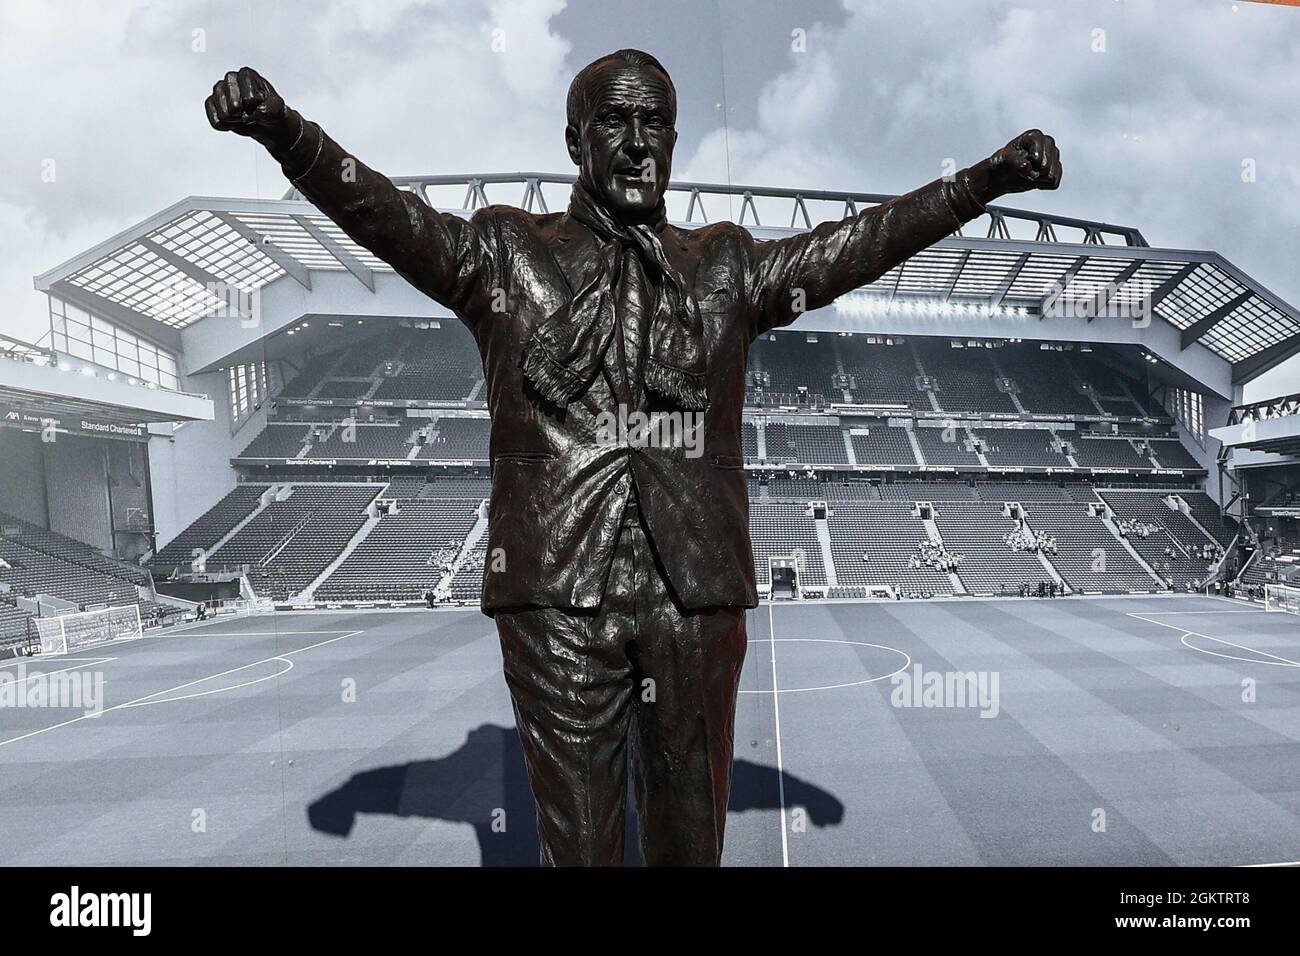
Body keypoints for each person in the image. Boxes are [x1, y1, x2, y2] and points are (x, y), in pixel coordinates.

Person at [204, 53, 1060, 866]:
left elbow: (855, 246)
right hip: (556, 600)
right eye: (614, 122)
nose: (639, 142)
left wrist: (978, 183)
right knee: (577, 848)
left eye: (657, 124)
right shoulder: (505, 252)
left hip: (694, 599)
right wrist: (286, 131)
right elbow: (386, 216)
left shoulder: (725, 265)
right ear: (574, 142)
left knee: (693, 846)